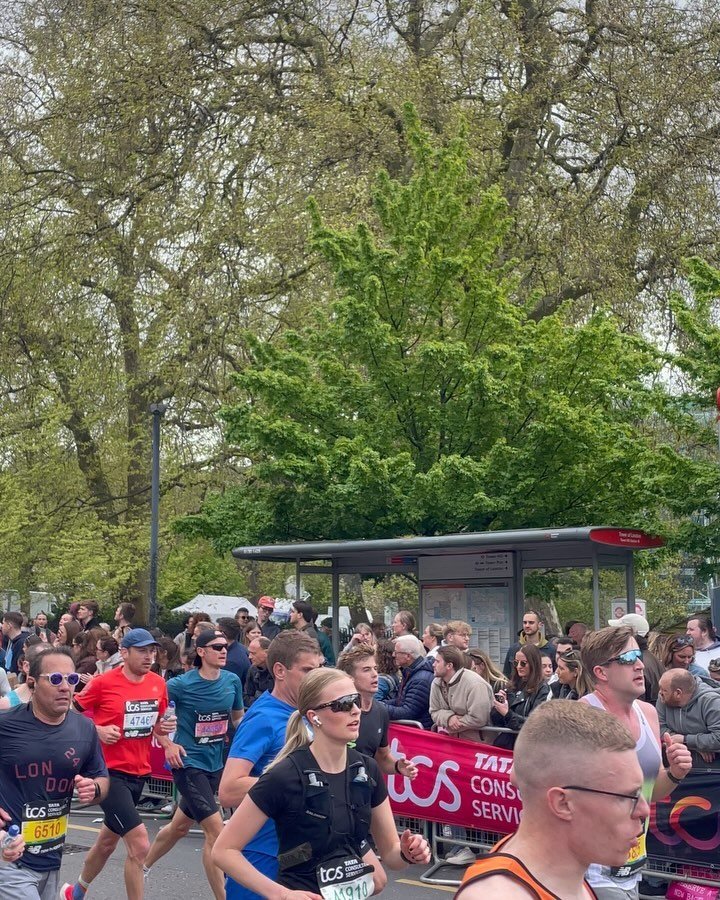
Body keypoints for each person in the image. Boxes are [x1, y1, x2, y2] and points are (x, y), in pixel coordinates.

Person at [212, 668, 431, 898]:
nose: (356, 710)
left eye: (355, 700)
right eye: (343, 704)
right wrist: (282, 894)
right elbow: (224, 851)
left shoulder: (367, 770)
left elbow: (391, 855)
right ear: (313, 716)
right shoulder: (285, 775)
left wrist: (409, 852)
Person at [455, 701, 650, 900]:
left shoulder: (562, 875)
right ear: (562, 803)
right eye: (627, 797)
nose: (644, 810)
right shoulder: (499, 895)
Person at [62, 628, 176, 900]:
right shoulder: (103, 682)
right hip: (107, 774)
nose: (149, 657)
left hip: (140, 771)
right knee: (139, 844)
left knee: (106, 843)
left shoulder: (158, 683)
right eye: (142, 651)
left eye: (152, 651)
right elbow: (68, 715)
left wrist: (166, 732)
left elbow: (157, 725)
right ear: (124, 653)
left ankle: (76, 893)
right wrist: (98, 730)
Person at [580, 625, 692, 900]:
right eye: (629, 659)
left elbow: (650, 792)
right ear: (601, 672)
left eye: (639, 655)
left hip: (632, 861)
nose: (640, 665)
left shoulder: (649, 713)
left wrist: (676, 773)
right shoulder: (582, 716)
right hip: (589, 868)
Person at [218, 631, 323, 900]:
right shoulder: (263, 717)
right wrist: (297, 782)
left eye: (320, 669)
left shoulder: (309, 715)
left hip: (301, 853)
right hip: (261, 855)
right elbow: (229, 789)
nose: (316, 678)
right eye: (307, 670)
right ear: (279, 670)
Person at [0, 646, 109, 900]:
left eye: (71, 680)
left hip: (51, 856)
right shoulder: (6, 726)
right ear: (33, 683)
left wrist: (93, 789)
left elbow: (101, 779)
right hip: (9, 856)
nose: (65, 687)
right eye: (55, 679)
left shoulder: (84, 729)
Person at [143, 629, 244, 899]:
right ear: (201, 651)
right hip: (188, 764)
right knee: (216, 831)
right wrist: (168, 744)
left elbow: (237, 720)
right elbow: (153, 720)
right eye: (217, 647)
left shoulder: (232, 681)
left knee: (179, 827)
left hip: (215, 763)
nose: (224, 651)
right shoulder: (180, 685)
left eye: (225, 646)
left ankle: (142, 866)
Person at [337, 645, 418, 778]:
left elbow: (383, 757)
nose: (375, 674)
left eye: (375, 669)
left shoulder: (380, 711)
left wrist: (398, 766)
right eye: (366, 670)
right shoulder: (338, 710)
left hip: (366, 788)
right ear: (350, 677)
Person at [657, 667, 720, 766]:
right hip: (677, 762)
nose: (660, 692)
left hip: (711, 768)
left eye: (664, 690)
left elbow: (718, 738)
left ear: (678, 693)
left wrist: (685, 739)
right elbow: (658, 728)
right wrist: (693, 746)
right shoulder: (664, 698)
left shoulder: (711, 702)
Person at [491, 643, 550, 748]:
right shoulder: (511, 685)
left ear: (533, 664)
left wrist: (507, 713)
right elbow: (496, 721)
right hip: (507, 745)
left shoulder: (543, 689)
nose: (518, 667)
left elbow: (533, 724)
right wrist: (499, 704)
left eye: (523, 663)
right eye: (516, 663)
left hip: (527, 747)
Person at [430, 645, 493, 741]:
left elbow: (479, 718)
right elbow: (434, 711)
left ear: (449, 666)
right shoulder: (436, 683)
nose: (433, 664)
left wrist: (455, 723)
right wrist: (449, 718)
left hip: (478, 744)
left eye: (437, 661)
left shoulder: (475, 684)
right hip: (450, 742)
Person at [608, 613, 663, 704]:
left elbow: (634, 703)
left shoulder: (636, 661)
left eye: (618, 631)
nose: (614, 636)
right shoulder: (651, 658)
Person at [381, 635, 434, 729]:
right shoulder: (411, 672)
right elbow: (400, 701)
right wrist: (380, 704)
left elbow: (408, 712)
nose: (393, 655)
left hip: (419, 735)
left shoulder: (420, 680)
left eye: (396, 652)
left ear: (408, 656)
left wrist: (379, 708)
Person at [502, 610, 555, 677]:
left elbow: (555, 675)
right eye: (525, 622)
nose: (527, 625)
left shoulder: (551, 649)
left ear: (540, 625)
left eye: (531, 623)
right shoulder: (514, 649)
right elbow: (506, 674)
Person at [290, 600, 335, 665]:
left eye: (293, 612)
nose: (290, 614)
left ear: (300, 615)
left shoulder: (309, 635)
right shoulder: (304, 633)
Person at [216, 618, 251, 686]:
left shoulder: (230, 661)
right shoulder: (242, 648)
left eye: (216, 631)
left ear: (222, 634)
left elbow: (226, 688)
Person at [243, 637, 274, 708]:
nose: (250, 657)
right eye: (249, 653)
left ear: (266, 652)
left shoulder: (277, 672)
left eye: (253, 653)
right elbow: (246, 696)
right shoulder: (252, 670)